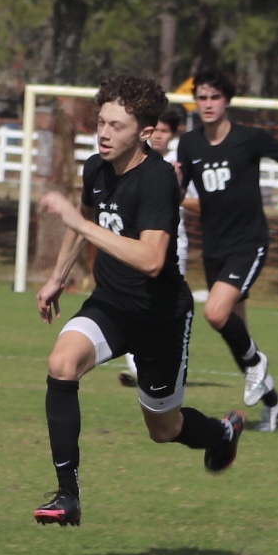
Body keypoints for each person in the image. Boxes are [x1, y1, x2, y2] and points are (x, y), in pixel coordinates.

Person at [33, 74, 246, 529]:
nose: (104, 133)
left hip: (159, 319)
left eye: (117, 126)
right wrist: (57, 277)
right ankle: (67, 495)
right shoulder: (96, 168)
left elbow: (151, 260)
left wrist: (80, 223)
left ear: (145, 132)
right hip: (111, 304)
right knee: (61, 364)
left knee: (163, 429)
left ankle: (221, 432)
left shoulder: (157, 181)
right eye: (101, 122)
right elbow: (86, 220)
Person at [177, 69, 278, 430]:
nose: (208, 104)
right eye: (202, 97)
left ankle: (260, 366)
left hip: (248, 245)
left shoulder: (249, 139)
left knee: (216, 314)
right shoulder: (189, 145)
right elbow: (186, 197)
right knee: (236, 335)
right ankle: (274, 403)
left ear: (227, 101)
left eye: (214, 97)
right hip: (214, 249)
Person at [118, 102, 189, 390]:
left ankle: (167, 363)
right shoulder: (132, 160)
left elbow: (195, 203)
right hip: (134, 242)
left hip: (172, 245)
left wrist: (177, 187)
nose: (159, 136)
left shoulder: (178, 163)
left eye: (165, 131)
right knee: (127, 301)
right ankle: (137, 366)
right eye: (155, 129)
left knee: (165, 307)